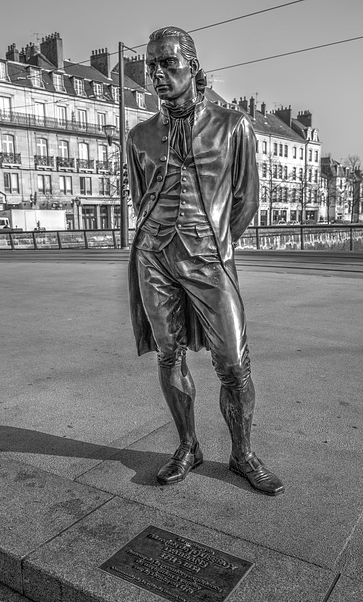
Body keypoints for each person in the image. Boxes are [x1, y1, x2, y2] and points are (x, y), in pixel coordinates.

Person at [127, 26, 284, 496]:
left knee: (234, 363)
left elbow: (247, 199)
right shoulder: (139, 137)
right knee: (168, 354)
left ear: (192, 68)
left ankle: (242, 454)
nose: (157, 74)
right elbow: (141, 199)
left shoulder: (233, 125)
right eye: (151, 66)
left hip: (209, 256)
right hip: (153, 257)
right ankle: (189, 446)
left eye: (167, 64)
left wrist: (216, 245)